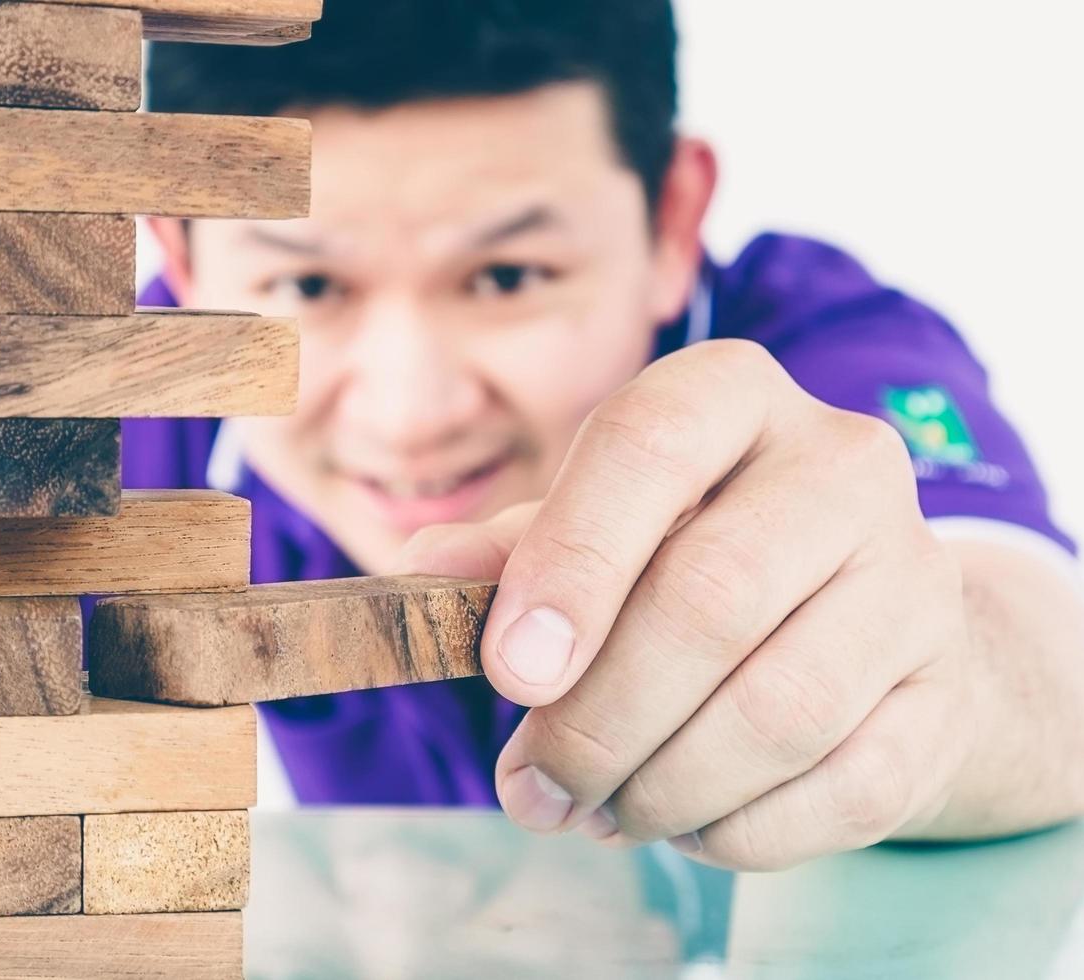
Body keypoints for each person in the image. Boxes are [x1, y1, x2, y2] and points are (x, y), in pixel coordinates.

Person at [117, 0, 1084, 871]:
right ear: (179, 258)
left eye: (507, 276)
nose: (410, 413)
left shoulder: (826, 356)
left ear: (672, 222)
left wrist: (942, 694)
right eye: (308, 287)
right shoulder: (101, 407)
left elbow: (1038, 647)